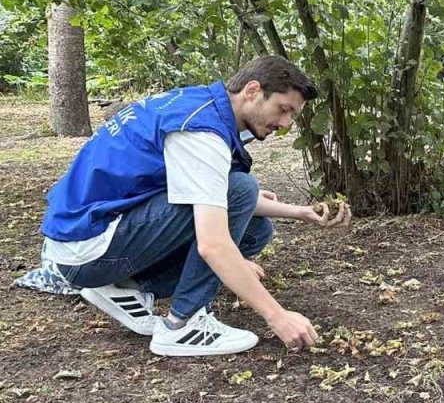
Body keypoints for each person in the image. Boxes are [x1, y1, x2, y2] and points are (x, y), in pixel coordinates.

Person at [39, 56, 352, 357]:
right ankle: (183, 325)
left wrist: (301, 212)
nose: (285, 123)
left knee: (256, 231)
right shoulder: (201, 133)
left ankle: (127, 287)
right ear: (253, 90)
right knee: (241, 189)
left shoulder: (200, 105)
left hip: (88, 238)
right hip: (88, 248)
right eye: (283, 110)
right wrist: (277, 315)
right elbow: (214, 242)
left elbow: (211, 194)